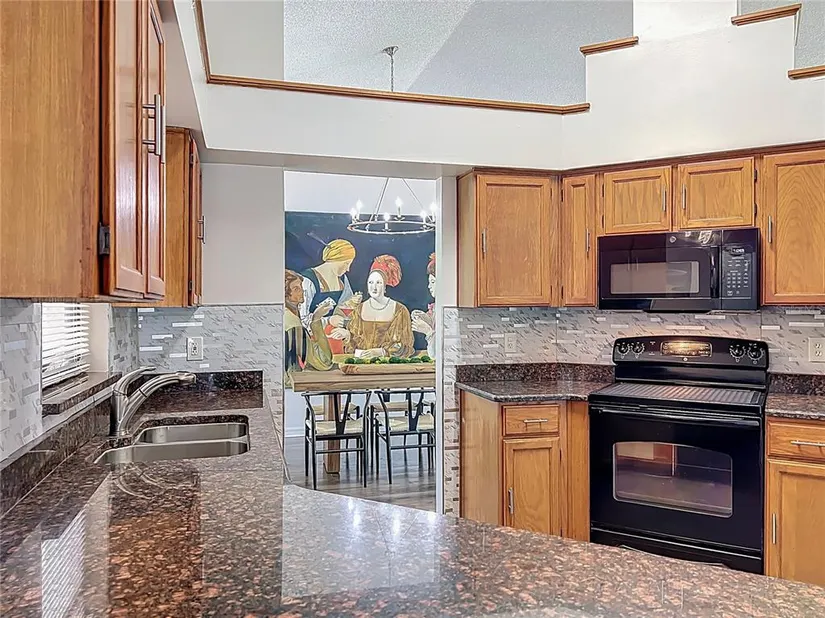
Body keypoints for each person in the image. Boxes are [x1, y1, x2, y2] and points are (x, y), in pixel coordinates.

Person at [339, 255, 414, 359]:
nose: (373, 287)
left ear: (384, 286)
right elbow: (353, 343)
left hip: (388, 365)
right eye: (371, 282)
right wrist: (347, 335)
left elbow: (404, 346)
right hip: (363, 364)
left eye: (378, 283)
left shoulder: (400, 310)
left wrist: (381, 352)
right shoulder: (358, 310)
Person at [284, 270, 334, 384]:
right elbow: (324, 361)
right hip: (290, 385)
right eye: (296, 289)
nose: (302, 291)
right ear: (285, 294)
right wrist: (316, 320)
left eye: (301, 287)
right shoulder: (293, 323)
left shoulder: (284, 315)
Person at [298, 239, 358, 332]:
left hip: (336, 333)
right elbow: (301, 320)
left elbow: (347, 306)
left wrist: (353, 302)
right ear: (336, 258)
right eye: (346, 264)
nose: (348, 269)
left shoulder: (342, 280)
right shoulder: (308, 280)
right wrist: (329, 320)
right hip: (312, 335)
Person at [411, 252, 436, 358]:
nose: (429, 286)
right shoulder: (435, 309)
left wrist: (427, 331)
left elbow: (435, 354)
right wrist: (423, 317)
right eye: (429, 282)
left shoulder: (448, 313)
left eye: (433, 282)